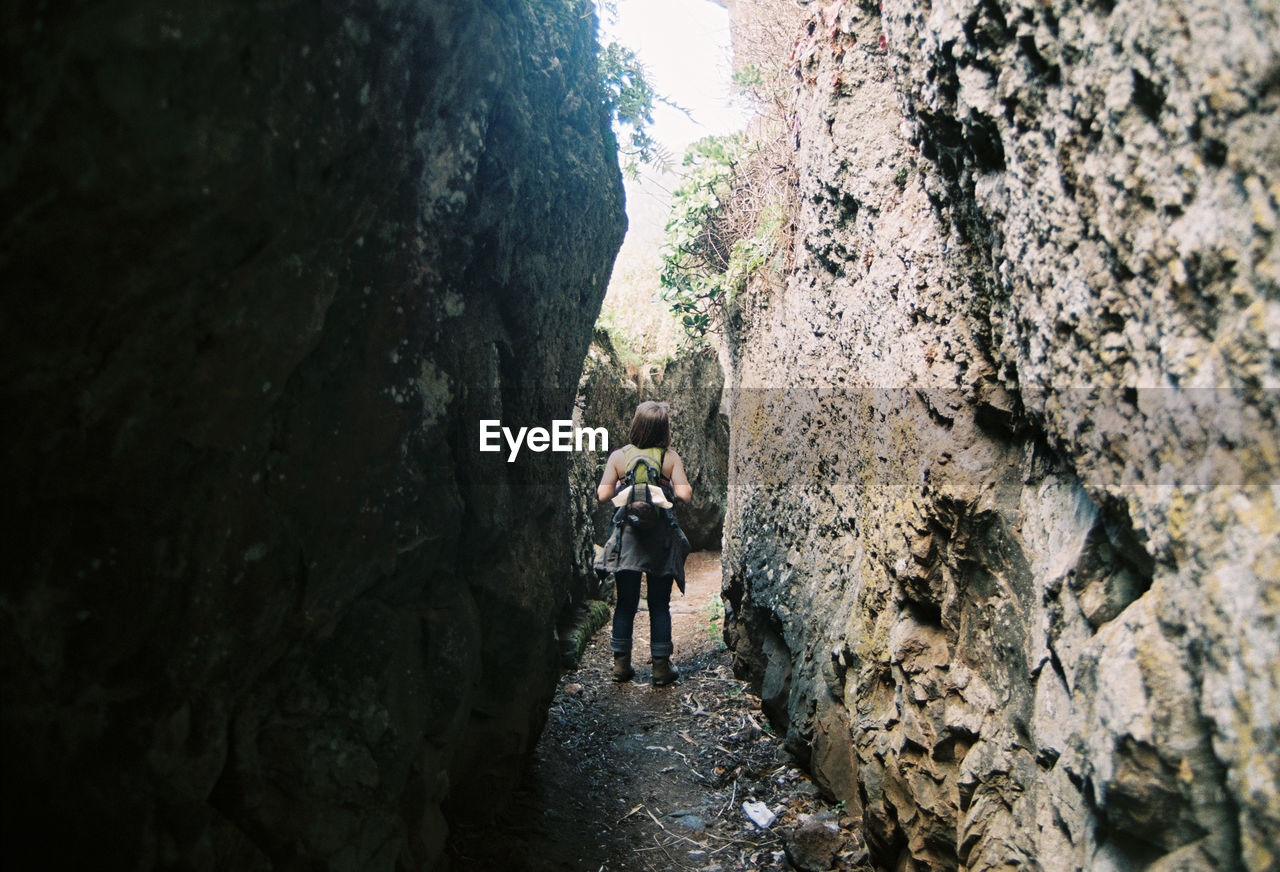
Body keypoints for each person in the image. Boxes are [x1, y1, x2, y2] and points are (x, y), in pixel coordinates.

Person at [595, 401, 693, 686]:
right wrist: (665, 486)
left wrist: (627, 488)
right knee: (659, 604)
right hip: (660, 539)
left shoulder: (619, 457)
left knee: (625, 602)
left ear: (636, 425)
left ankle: (620, 665)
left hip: (628, 538)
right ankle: (661, 668)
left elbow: (603, 496)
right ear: (664, 429)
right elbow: (685, 495)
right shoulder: (670, 457)